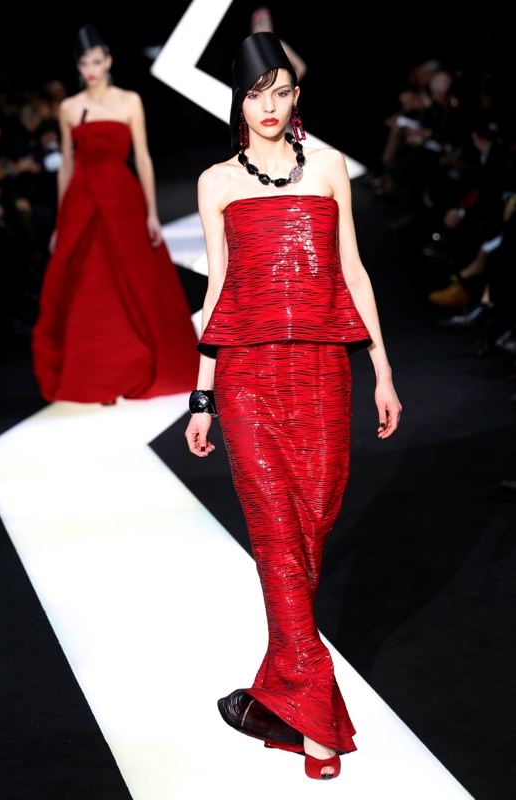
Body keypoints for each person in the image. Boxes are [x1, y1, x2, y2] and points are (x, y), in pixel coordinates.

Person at [184, 32, 402, 780]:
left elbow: (353, 272)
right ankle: (317, 726)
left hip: (321, 373)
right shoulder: (217, 182)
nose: (268, 106)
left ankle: (275, 696)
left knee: (309, 533)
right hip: (247, 378)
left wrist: (381, 370)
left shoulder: (329, 168)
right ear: (238, 104)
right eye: (255, 94)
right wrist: (203, 395)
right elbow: (218, 290)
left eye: (279, 92)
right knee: (276, 539)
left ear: (296, 97)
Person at [31, 23, 198, 404]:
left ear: (108, 61)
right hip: (82, 200)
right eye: (84, 63)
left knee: (131, 279)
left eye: (96, 61)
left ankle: (132, 365)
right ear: (78, 67)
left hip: (123, 199)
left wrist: (152, 212)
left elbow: (143, 157)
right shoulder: (69, 108)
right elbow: (67, 166)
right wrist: (61, 220)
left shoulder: (129, 101)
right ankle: (99, 375)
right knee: (89, 285)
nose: (91, 69)